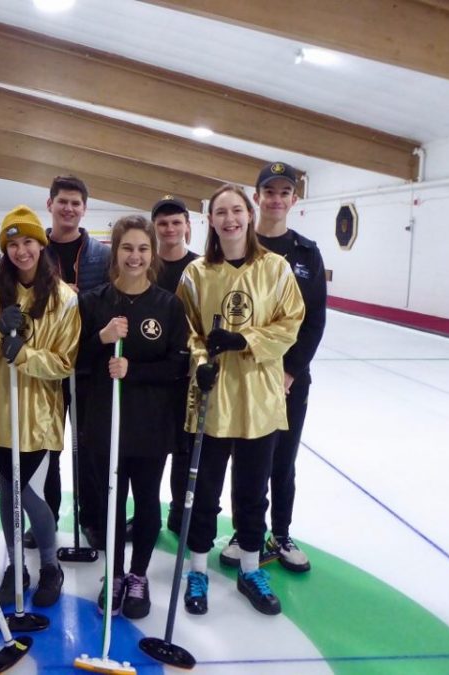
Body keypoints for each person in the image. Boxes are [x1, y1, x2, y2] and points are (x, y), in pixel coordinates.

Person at [176, 185, 304, 617]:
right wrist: (200, 360)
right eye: (220, 213)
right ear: (210, 221)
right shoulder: (196, 274)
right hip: (212, 397)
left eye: (236, 211)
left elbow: (290, 324)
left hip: (258, 398)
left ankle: (250, 567)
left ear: (249, 216)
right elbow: (187, 328)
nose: (229, 219)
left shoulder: (276, 268)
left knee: (252, 490)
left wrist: (245, 339)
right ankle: (197, 568)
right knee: (204, 491)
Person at [78, 215, 188, 619]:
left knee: (145, 503)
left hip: (150, 425)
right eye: (127, 248)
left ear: (152, 253)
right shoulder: (93, 302)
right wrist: (100, 340)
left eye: (143, 248)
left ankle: (138, 574)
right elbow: (73, 360)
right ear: (115, 252)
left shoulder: (168, 304)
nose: (135, 256)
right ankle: (116, 572)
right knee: (110, 503)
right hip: (105, 423)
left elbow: (178, 365)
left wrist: (133, 371)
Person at [0, 205, 80, 608]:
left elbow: (65, 362)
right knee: (6, 493)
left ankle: (50, 565)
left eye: (28, 242)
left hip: (39, 414)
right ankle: (16, 565)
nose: (21, 251)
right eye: (12, 244)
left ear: (41, 244)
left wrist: (25, 354)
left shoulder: (65, 300)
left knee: (32, 495)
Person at [220, 163, 327, 573]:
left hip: (287, 379)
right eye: (270, 191)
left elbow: (313, 318)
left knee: (282, 460)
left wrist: (291, 371)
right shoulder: (239, 247)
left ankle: (280, 532)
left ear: (294, 200)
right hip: (244, 376)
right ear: (257, 197)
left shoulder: (305, 252)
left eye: (285, 192)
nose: (276, 199)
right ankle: (244, 530)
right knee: (245, 459)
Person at [27, 175, 110, 550]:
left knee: (90, 448)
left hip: (89, 366)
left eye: (76, 203)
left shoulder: (102, 256)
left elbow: (112, 302)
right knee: (48, 449)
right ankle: (47, 519)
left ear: (84, 209)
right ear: (50, 204)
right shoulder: (33, 251)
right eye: (62, 201)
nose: (69, 208)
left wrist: (83, 300)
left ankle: (92, 518)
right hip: (47, 367)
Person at [151, 196, 199, 536]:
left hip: (189, 375)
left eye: (175, 222)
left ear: (187, 226)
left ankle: (181, 511)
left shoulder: (201, 268)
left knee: (185, 447)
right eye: (163, 224)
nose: (169, 229)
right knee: (150, 449)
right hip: (151, 375)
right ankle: (146, 513)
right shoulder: (144, 265)